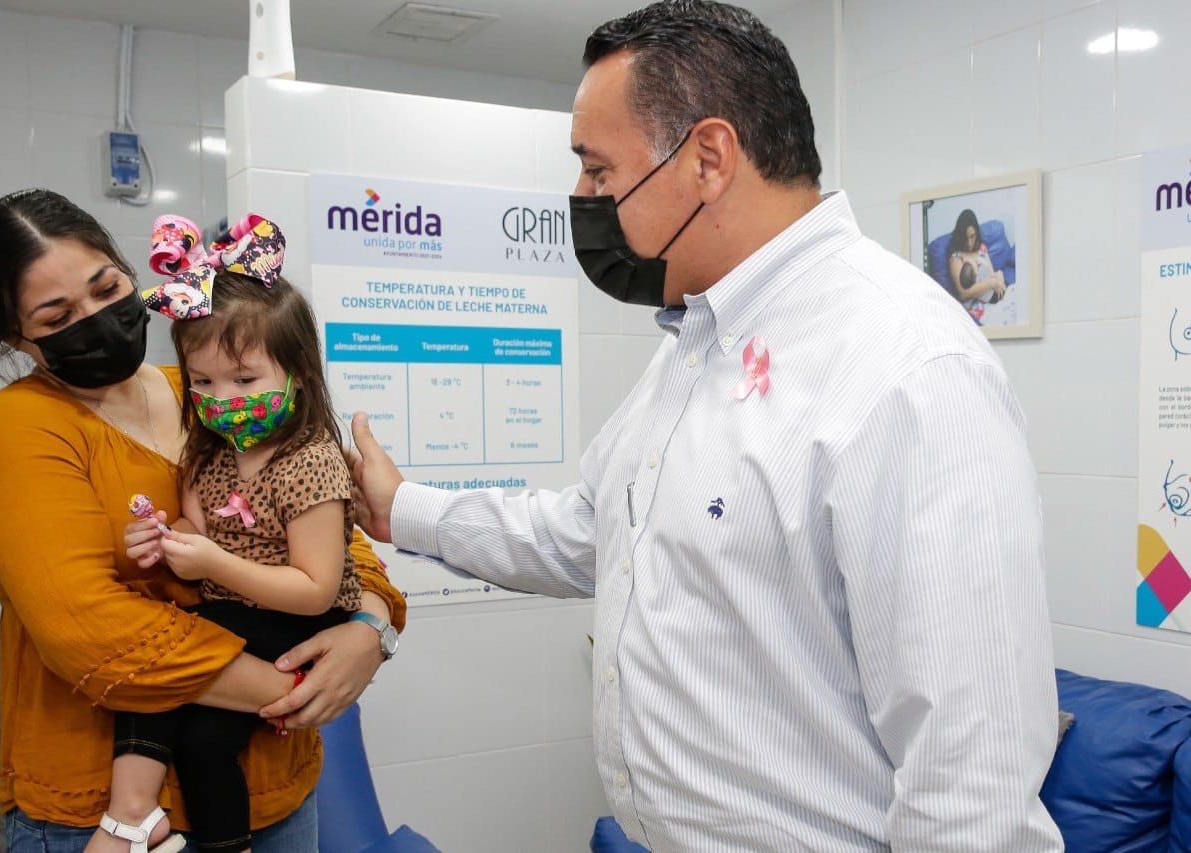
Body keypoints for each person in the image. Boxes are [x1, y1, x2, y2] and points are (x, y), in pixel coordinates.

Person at [347, 1, 1062, 850]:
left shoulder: (905, 368)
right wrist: (404, 507)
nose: (581, 199)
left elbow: (972, 792)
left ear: (709, 158)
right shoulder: (697, 342)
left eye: (598, 171)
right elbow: (590, 531)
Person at [0, 189, 406, 853]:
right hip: (102, 809)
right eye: (58, 315)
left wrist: (368, 629)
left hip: (274, 784)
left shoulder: (205, 386)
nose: (97, 319)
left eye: (106, 287)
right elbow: (92, 633)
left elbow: (327, 532)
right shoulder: (18, 429)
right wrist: (294, 688)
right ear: (12, 335)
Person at [92, 214, 387, 853]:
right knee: (191, 727)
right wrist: (165, 539)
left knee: (169, 677)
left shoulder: (310, 462)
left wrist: (213, 564)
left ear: (297, 371)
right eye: (202, 382)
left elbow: (315, 589)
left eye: (244, 380)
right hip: (238, 610)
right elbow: (197, 530)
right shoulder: (210, 453)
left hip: (299, 619)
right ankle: (167, 823)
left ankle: (143, 818)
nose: (221, 397)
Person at [947, 207, 1006, 318]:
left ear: (977, 233)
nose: (969, 243)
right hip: (975, 306)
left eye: (972, 236)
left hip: (992, 294)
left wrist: (998, 278)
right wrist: (993, 283)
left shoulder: (981, 248)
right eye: (965, 238)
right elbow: (964, 294)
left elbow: (991, 274)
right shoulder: (956, 258)